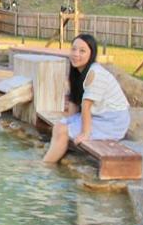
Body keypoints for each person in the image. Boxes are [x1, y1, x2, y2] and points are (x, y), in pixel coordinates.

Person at [43, 34, 130, 163]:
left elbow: (86, 106)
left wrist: (85, 133)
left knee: (62, 131)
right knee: (59, 126)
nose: (76, 54)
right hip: (98, 115)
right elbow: (74, 98)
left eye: (82, 51)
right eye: (73, 49)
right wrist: (70, 120)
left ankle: (45, 165)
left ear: (91, 54)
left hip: (112, 120)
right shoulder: (77, 71)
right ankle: (49, 159)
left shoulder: (94, 73)